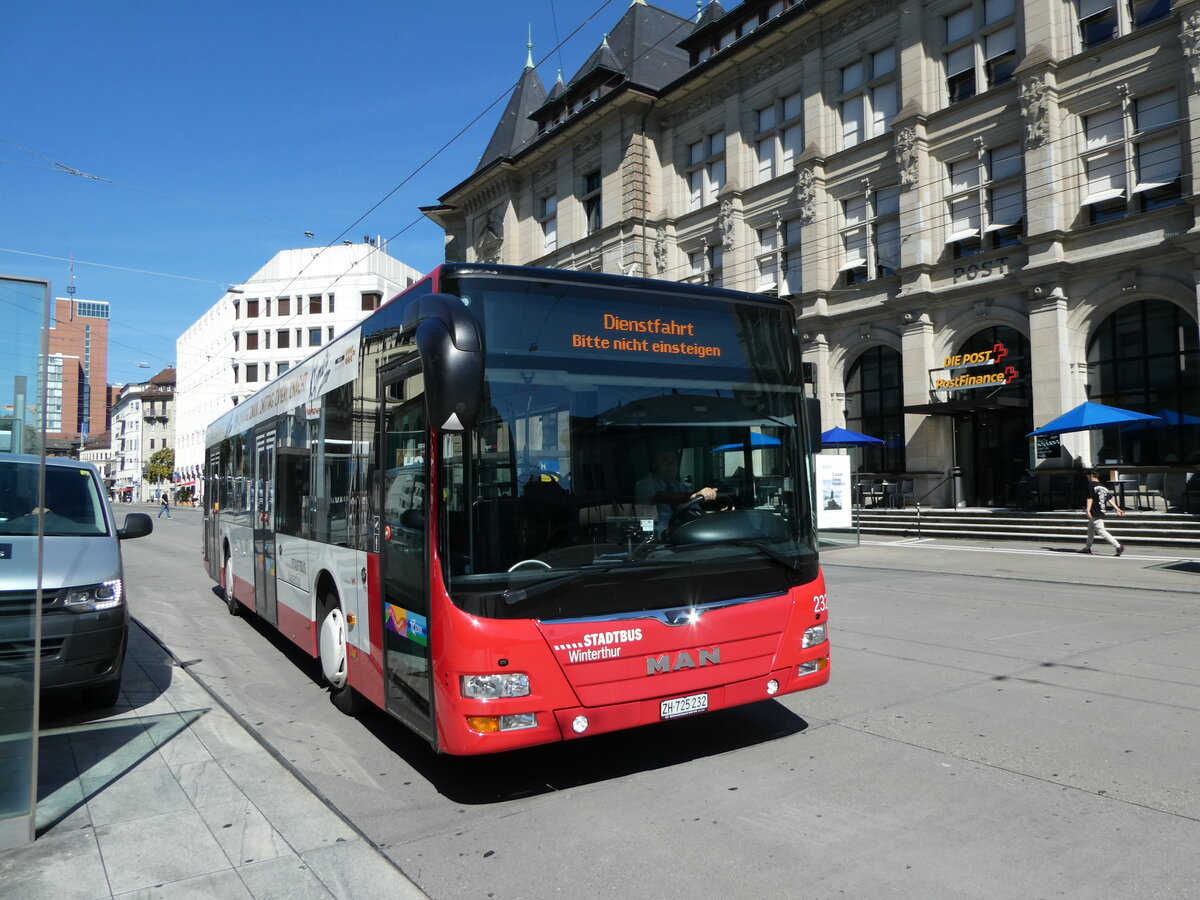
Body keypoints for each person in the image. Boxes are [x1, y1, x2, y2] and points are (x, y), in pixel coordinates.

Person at [635, 449, 718, 535]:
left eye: (673, 460)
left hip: (682, 535)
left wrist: (715, 513)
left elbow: (695, 510)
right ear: (654, 465)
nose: (670, 464)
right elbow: (660, 497)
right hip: (656, 539)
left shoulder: (681, 487)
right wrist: (693, 496)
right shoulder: (645, 484)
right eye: (664, 460)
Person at [1080, 470, 1123, 556]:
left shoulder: (1091, 485)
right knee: (1090, 531)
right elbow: (1109, 499)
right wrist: (1117, 508)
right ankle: (1087, 548)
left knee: (1101, 531)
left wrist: (1088, 510)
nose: (1087, 478)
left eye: (1087, 477)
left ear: (1091, 475)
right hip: (1101, 509)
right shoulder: (1103, 486)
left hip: (1095, 510)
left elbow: (1090, 498)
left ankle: (1118, 546)